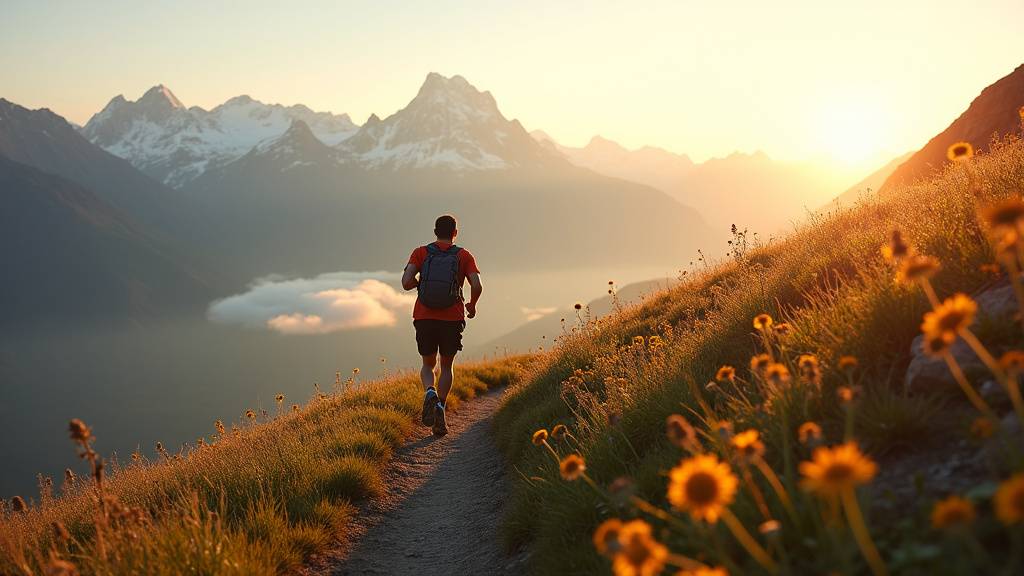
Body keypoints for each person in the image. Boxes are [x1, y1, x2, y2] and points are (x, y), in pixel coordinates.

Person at [402, 214, 482, 436]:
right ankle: (440, 407)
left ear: (435, 231)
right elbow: (477, 284)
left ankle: (430, 390)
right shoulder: (464, 256)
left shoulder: (421, 253)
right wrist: (472, 305)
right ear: (455, 232)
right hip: (452, 318)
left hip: (424, 316)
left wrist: (420, 284)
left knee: (428, 365)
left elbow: (406, 282)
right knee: (446, 366)